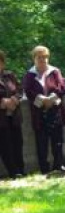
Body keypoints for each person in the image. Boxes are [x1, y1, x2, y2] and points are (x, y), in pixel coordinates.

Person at [22, 46, 65, 174]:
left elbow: (62, 87)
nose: (42, 59)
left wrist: (51, 98)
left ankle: (59, 165)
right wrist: (41, 100)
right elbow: (28, 91)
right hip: (39, 112)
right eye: (39, 57)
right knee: (41, 142)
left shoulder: (55, 71)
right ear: (34, 59)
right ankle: (44, 168)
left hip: (55, 110)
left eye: (45, 57)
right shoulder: (30, 75)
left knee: (57, 140)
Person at [0, 50, 25, 178]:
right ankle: (13, 172)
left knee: (18, 143)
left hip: (14, 116)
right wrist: (2, 102)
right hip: (1, 119)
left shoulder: (9, 75)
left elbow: (20, 89)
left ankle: (21, 169)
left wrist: (15, 99)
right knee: (6, 146)